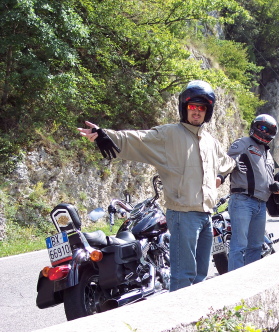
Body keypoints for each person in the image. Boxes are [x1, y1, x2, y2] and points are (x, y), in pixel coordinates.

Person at [77, 80, 237, 292]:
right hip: (183, 214)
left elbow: (227, 163)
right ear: (184, 108)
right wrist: (106, 135)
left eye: (201, 108)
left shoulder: (210, 141)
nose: (196, 112)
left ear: (207, 112)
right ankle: (179, 319)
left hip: (206, 214)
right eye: (192, 107)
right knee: (184, 275)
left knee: (200, 273)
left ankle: (197, 318)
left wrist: (228, 172)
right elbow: (139, 139)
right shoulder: (169, 135)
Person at [226, 114, 279, 271]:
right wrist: (231, 165)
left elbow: (267, 177)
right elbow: (227, 161)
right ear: (254, 126)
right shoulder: (243, 143)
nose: (263, 132)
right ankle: (234, 286)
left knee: (255, 246)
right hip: (243, 199)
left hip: (260, 204)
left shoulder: (268, 154)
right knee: (239, 245)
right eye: (261, 127)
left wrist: (275, 185)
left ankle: (249, 281)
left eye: (267, 129)